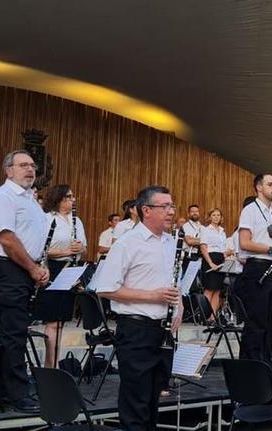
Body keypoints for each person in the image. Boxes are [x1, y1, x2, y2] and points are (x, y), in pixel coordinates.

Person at [90, 185, 183, 431]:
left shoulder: (170, 242)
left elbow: (174, 282)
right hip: (136, 329)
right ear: (146, 210)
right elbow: (105, 288)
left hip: (162, 332)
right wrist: (152, 296)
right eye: (165, 206)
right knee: (136, 402)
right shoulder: (127, 243)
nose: (171, 211)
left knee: (153, 400)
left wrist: (180, 304)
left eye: (172, 206)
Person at [0, 150, 49, 412]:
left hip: (23, 268)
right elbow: (7, 239)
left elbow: (32, 238)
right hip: (8, 269)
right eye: (23, 165)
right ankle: (19, 394)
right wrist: (32, 268)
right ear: (8, 170)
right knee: (14, 333)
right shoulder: (2, 197)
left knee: (10, 331)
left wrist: (39, 266)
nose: (30, 170)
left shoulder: (30, 199)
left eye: (32, 165)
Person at [233, 174, 272, 366]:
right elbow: (244, 242)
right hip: (257, 268)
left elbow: (269, 240)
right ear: (258, 187)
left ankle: (265, 362)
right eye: (270, 184)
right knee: (256, 322)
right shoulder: (250, 210)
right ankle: (251, 367)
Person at [34, 184, 86, 369]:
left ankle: (54, 362)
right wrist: (65, 250)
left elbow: (83, 247)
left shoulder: (76, 221)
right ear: (58, 199)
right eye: (69, 197)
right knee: (53, 320)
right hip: (54, 269)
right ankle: (50, 365)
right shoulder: (46, 219)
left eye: (72, 196)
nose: (73, 200)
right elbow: (40, 249)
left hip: (70, 269)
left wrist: (80, 249)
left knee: (62, 320)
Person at [198, 208, 228, 317]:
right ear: (210, 217)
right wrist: (210, 263)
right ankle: (204, 316)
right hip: (210, 259)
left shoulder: (222, 231)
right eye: (214, 215)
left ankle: (213, 317)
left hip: (220, 259)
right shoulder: (206, 230)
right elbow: (203, 247)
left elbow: (223, 248)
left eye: (218, 215)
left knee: (217, 290)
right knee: (209, 289)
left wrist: (227, 257)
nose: (216, 217)